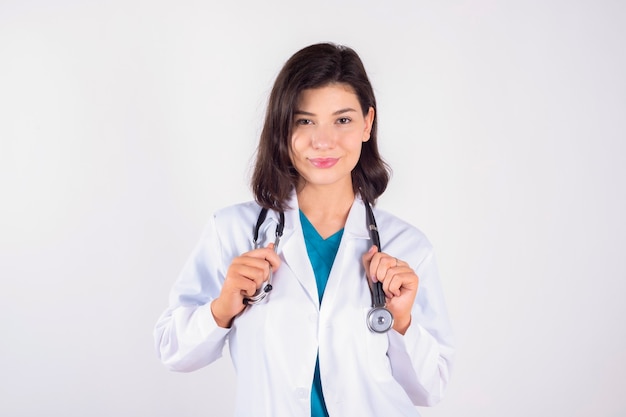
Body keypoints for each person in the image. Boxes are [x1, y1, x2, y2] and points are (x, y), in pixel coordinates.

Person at [154, 42, 454, 417]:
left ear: (367, 124)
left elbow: (430, 388)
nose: (322, 141)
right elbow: (173, 351)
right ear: (283, 127)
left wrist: (403, 321)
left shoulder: (407, 247)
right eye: (304, 120)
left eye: (342, 120)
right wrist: (222, 307)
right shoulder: (231, 232)